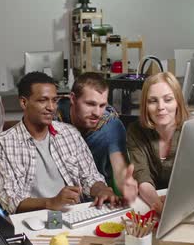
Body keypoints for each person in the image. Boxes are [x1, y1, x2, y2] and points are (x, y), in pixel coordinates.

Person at [0, 72, 120, 214]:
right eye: (43, 100)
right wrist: (51, 202)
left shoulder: (70, 134)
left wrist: (102, 189)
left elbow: (90, 177)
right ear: (24, 102)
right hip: (33, 221)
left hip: (74, 214)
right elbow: (11, 200)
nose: (51, 107)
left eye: (54, 100)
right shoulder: (3, 144)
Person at [56, 72, 138, 203]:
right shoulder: (54, 119)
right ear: (73, 98)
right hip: (59, 199)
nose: (97, 113)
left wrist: (125, 183)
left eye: (102, 105)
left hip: (98, 196)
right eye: (90, 104)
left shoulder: (111, 125)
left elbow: (119, 166)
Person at [126, 72, 190, 214]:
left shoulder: (192, 130)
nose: (161, 107)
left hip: (184, 201)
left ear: (177, 102)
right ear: (145, 105)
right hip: (150, 201)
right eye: (153, 101)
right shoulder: (135, 131)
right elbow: (142, 177)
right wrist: (159, 207)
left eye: (168, 99)